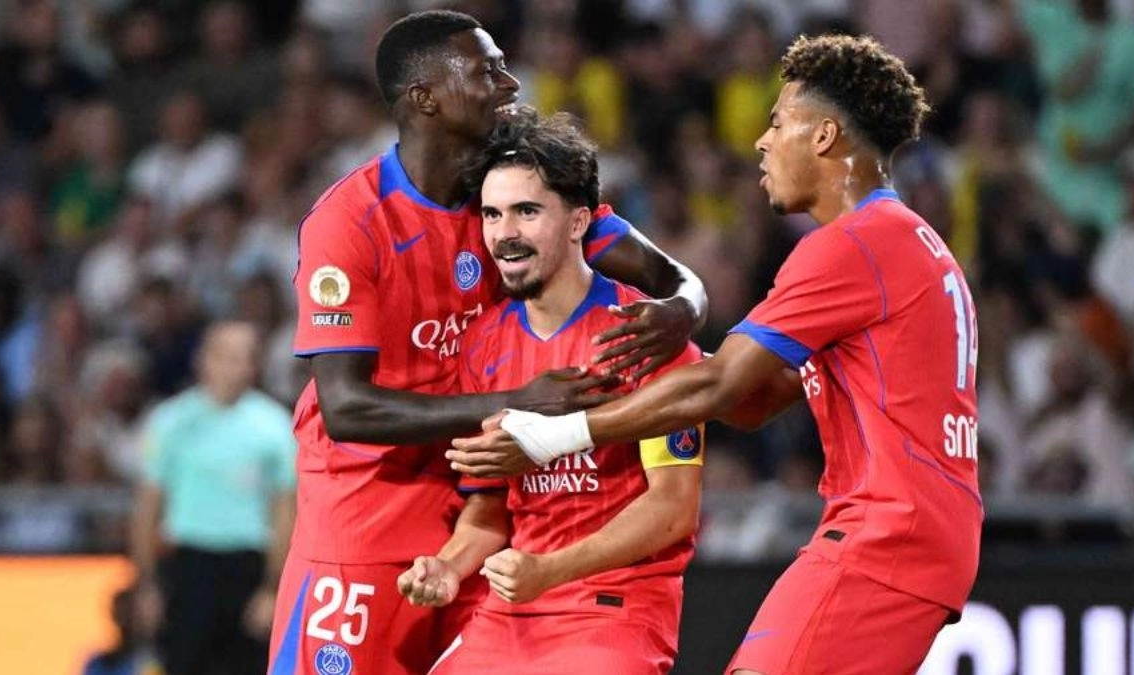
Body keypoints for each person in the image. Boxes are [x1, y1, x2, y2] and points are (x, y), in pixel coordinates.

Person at [450, 34, 982, 675]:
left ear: (823, 137)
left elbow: (721, 388)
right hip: (916, 532)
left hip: (886, 533)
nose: (762, 140)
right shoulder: (905, 241)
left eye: (779, 122)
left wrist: (556, 435)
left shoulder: (852, 246)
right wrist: (653, 360)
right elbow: (756, 401)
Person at [267, 10, 708, 675]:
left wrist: (683, 309)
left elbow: (669, 277)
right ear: (426, 99)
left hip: (482, 511)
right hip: (369, 512)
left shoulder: (509, 194)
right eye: (487, 71)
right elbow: (347, 409)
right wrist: (519, 402)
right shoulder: (349, 222)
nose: (509, 84)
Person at [397, 109, 703, 674]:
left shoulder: (646, 334)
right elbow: (488, 509)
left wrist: (550, 569)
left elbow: (672, 508)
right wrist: (447, 567)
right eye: (492, 214)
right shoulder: (482, 346)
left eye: (526, 212)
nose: (504, 233)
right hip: (512, 609)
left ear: (579, 220)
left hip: (615, 605)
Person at [132, 320, 296, 675]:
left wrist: (273, 588)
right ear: (203, 359)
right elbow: (148, 507)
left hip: (248, 568)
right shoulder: (170, 421)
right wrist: (147, 584)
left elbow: (285, 511)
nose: (234, 366)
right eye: (225, 356)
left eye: (245, 357)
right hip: (188, 567)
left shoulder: (275, 426)